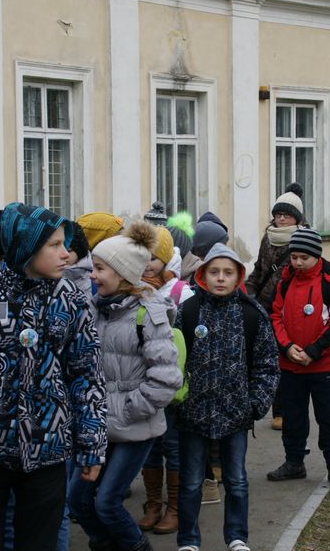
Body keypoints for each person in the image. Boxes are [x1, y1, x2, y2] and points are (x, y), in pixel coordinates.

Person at [0, 202, 107, 551]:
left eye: (64, 244)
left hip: (47, 451)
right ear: (26, 246)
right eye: (54, 245)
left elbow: (86, 376)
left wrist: (92, 444)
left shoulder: (70, 300)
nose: (66, 253)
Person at [68, 221, 181, 551]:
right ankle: (106, 544)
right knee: (77, 499)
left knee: (107, 502)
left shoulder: (148, 315)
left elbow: (166, 379)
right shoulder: (94, 309)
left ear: (123, 274)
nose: (92, 275)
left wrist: (127, 409)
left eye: (100, 268)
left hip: (135, 427)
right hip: (98, 427)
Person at [174, 244, 279, 551]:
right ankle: (188, 539)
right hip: (194, 414)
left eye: (228, 273)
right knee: (191, 481)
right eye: (214, 272)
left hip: (236, 413)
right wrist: (178, 401)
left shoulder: (251, 314)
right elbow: (173, 360)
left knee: (237, 480)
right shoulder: (188, 312)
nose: (221, 278)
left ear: (238, 277)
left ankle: (236, 536)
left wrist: (255, 404)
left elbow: (267, 364)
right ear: (203, 275)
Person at [265, 228, 330, 490]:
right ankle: (294, 462)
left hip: (323, 365)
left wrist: (313, 352)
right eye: (294, 257)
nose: (298, 263)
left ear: (317, 255)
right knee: (293, 418)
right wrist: (287, 347)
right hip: (291, 364)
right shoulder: (285, 281)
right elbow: (275, 316)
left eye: (304, 257)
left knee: (329, 417)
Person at [136, 226, 194, 534]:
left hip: (171, 385)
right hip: (141, 382)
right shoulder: (132, 288)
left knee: (172, 445)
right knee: (149, 445)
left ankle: (174, 507)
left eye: (153, 258)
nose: (147, 265)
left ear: (165, 259)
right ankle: (153, 504)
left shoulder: (180, 291)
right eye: (142, 257)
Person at [245, 183, 306, 431]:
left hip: (290, 310)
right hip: (265, 307)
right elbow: (260, 270)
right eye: (278, 214)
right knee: (266, 358)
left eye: (286, 215)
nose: (281, 219)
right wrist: (248, 291)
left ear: (296, 218)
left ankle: (283, 410)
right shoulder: (268, 238)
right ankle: (267, 406)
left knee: (285, 360)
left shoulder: (303, 239)